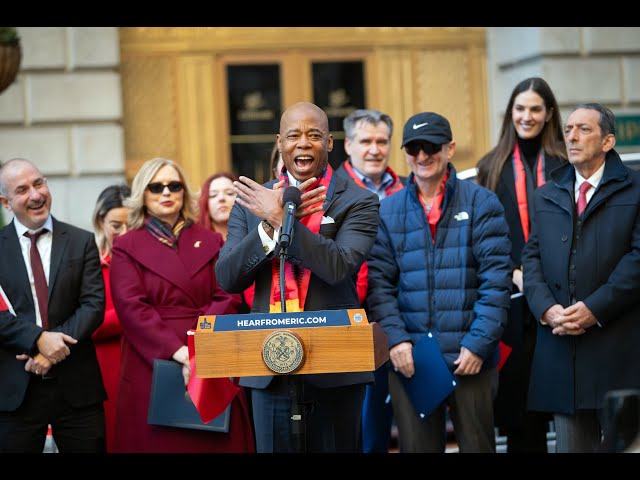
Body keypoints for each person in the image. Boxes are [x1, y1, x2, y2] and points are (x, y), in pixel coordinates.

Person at [215, 101, 380, 453]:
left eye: (314, 135)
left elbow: (338, 265)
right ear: (279, 143)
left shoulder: (359, 201)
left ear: (330, 143)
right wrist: (268, 225)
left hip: (336, 367)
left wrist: (281, 219)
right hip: (268, 363)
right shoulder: (252, 201)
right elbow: (227, 277)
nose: (303, 143)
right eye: (293, 135)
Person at [366, 112, 512, 453]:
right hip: (413, 359)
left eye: (430, 146)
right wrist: (397, 342)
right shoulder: (387, 211)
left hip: (470, 357)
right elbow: (379, 286)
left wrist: (479, 344)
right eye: (413, 148)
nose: (421, 156)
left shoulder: (482, 203)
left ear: (450, 148)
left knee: (478, 447)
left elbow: (496, 282)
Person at [109, 157, 254, 453]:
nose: (166, 192)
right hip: (152, 360)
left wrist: (198, 348)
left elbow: (228, 294)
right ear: (143, 195)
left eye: (174, 186)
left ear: (184, 193)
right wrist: (181, 355)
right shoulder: (126, 246)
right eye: (156, 187)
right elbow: (131, 308)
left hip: (209, 351)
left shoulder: (211, 239)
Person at [522, 103, 640, 453]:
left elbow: (638, 259)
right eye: (569, 129)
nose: (571, 137)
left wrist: (594, 308)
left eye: (583, 130)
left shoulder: (635, 188)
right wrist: (547, 310)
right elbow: (531, 258)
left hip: (618, 349)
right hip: (562, 349)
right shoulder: (546, 193)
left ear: (608, 141)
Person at [476, 77, 567, 452]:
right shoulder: (490, 166)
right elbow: (485, 235)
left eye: (535, 109)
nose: (526, 116)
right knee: (520, 417)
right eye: (520, 108)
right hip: (513, 305)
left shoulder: (566, 163)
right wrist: (515, 270)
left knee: (567, 414)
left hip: (562, 303)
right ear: (510, 112)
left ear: (548, 115)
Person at [0, 158, 106, 453]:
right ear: (6, 203)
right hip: (14, 390)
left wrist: (51, 352)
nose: (35, 195)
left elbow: (93, 305)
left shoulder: (81, 241)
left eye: (39, 183)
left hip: (77, 387)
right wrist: (37, 341)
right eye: (22, 190)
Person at [334, 108, 403, 453]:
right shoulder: (329, 191)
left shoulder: (405, 189)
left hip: (399, 319)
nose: (374, 149)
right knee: (357, 428)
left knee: (395, 426)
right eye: (366, 141)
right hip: (351, 321)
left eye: (382, 141)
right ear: (348, 145)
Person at [91, 183, 131, 453]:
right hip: (105, 368)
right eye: (116, 225)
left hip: (147, 363)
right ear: (100, 222)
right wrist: (133, 313)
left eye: (131, 224)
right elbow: (86, 322)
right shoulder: (89, 262)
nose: (124, 234)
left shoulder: (150, 261)